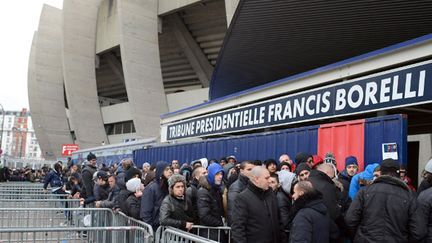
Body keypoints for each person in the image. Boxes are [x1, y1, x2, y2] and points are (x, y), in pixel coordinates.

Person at [345, 158, 426, 242]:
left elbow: (350, 220)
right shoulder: (409, 195)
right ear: (398, 173)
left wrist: (359, 238)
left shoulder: (364, 192)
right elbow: (419, 231)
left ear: (381, 172)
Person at [231, 166, 280, 243]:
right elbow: (238, 229)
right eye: (266, 178)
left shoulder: (271, 195)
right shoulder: (242, 198)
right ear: (256, 179)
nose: (269, 181)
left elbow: (278, 221)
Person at [197, 163, 227, 241]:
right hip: (209, 235)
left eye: (221, 174)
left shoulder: (217, 190)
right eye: (217, 174)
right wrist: (221, 224)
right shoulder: (203, 192)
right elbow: (204, 216)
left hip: (217, 233)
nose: (220, 176)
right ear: (211, 175)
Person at [140, 161, 173, 230]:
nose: (170, 171)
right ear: (160, 172)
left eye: (170, 169)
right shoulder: (151, 188)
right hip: (155, 228)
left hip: (167, 228)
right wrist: (150, 230)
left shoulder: (170, 186)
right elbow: (146, 212)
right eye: (167, 169)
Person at [227, 160, 255, 225]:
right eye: (249, 169)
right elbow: (232, 211)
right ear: (241, 171)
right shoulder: (236, 187)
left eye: (253, 170)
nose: (252, 172)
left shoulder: (251, 184)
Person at [277, 170, 296, 241]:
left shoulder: (286, 194)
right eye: (293, 183)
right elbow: (286, 223)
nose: (295, 185)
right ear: (286, 183)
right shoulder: (281, 199)